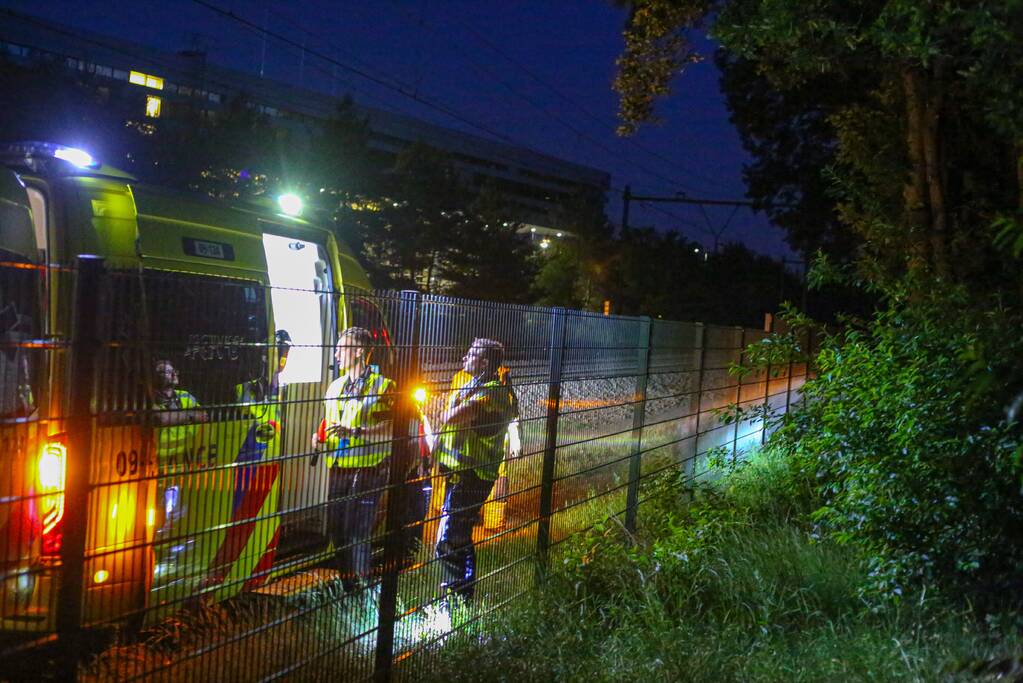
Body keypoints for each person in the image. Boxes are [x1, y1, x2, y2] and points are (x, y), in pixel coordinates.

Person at [434, 338, 519, 602]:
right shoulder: (474, 384)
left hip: (473, 476)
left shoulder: (493, 392)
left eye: (470, 355)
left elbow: (453, 416)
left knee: (448, 540)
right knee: (459, 535)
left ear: (483, 362)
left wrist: (448, 412)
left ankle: (459, 597)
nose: (464, 359)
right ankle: (460, 596)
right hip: (459, 473)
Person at [312, 326, 395, 592]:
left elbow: (392, 429)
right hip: (339, 468)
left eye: (341, 348)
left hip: (369, 469)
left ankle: (364, 589)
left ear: (359, 352)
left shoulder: (383, 387)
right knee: (337, 532)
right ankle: (350, 588)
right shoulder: (336, 386)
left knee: (358, 532)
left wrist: (356, 432)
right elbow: (329, 422)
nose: (336, 354)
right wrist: (319, 437)